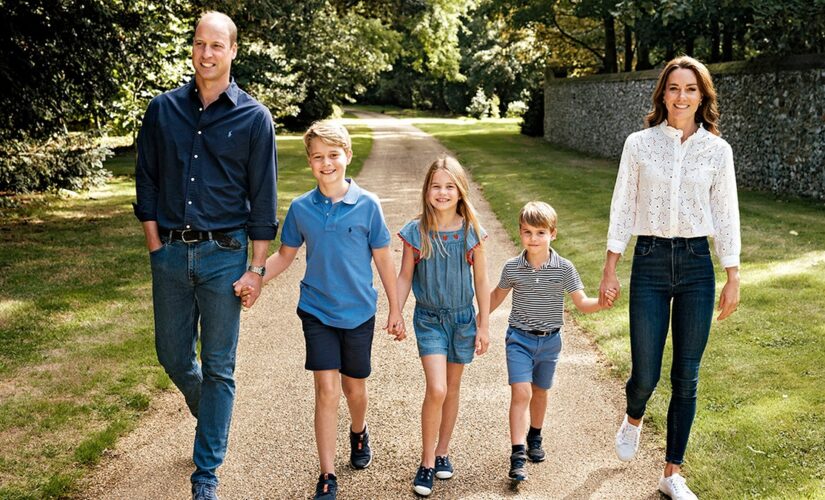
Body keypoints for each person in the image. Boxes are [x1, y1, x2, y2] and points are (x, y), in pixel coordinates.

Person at [133, 11, 277, 500]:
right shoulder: (162, 110)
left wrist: (257, 269)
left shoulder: (254, 118)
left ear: (233, 51)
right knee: (173, 356)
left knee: (219, 366)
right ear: (192, 48)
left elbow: (264, 198)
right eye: (200, 44)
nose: (206, 53)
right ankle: (211, 416)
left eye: (217, 45)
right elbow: (147, 180)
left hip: (225, 255)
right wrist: (155, 244)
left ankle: (206, 474)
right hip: (170, 254)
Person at [236, 121, 404, 500]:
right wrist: (256, 277)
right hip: (316, 309)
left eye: (333, 155)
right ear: (309, 162)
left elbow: (383, 259)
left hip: (359, 311)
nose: (326, 163)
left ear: (347, 155)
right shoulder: (301, 208)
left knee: (353, 388)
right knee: (327, 390)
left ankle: (358, 432)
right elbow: (285, 255)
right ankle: (327, 474)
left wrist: (395, 308)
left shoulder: (368, 205)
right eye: (317, 157)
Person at [599, 56, 741, 500]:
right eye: (674, 88)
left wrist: (732, 274)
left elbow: (727, 214)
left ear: (703, 96)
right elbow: (623, 205)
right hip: (651, 260)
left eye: (691, 89)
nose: (682, 96)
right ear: (662, 93)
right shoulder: (639, 144)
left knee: (687, 374)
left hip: (698, 263)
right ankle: (634, 414)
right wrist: (610, 266)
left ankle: (671, 473)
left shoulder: (718, 151)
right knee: (645, 372)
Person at [489, 201, 615, 483]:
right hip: (519, 339)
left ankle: (535, 435)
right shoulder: (512, 268)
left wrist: (602, 304)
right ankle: (517, 454)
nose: (533, 239)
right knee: (521, 393)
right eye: (527, 232)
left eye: (540, 233)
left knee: (540, 392)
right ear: (520, 233)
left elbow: (581, 303)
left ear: (553, 234)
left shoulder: (564, 268)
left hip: (550, 343)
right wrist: (477, 320)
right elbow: (496, 296)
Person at [395, 156, 491, 497]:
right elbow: (405, 275)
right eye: (436, 186)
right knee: (436, 389)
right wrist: (396, 310)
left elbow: (481, 280)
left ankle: (443, 450)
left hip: (463, 320)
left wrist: (484, 324)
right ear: (426, 191)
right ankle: (426, 462)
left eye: (450, 186)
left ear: (460, 191)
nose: (442, 192)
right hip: (430, 319)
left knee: (451, 388)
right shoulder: (416, 232)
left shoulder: (471, 232)